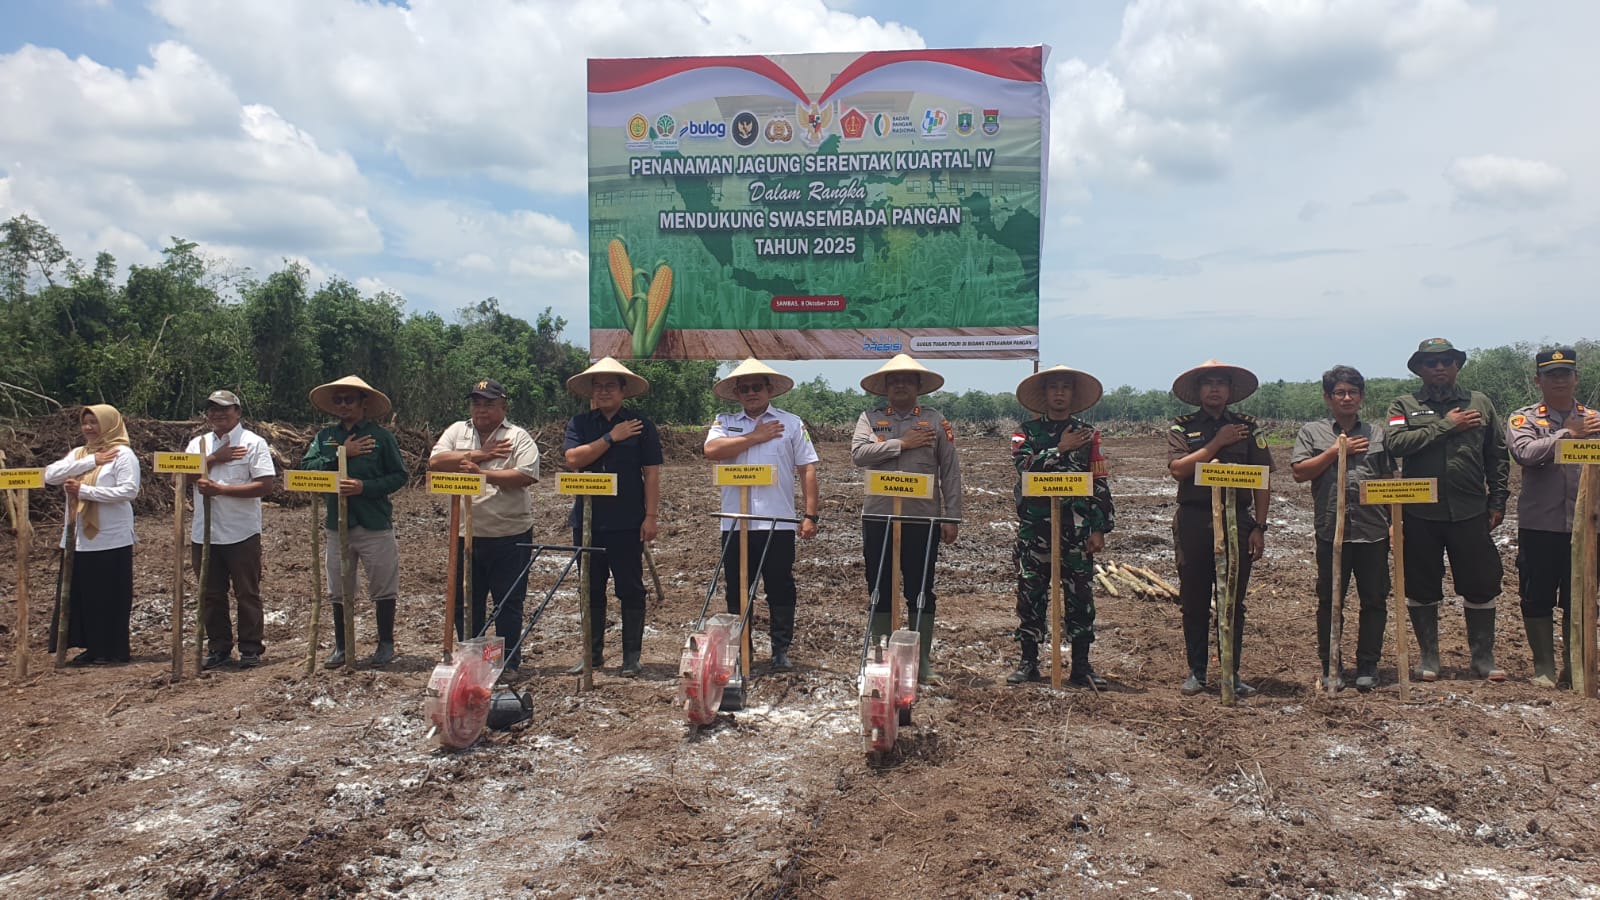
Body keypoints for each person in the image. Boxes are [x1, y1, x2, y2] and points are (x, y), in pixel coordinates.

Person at [1386, 338, 1510, 681]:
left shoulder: (1480, 403)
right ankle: (1429, 657)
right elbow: (1394, 443)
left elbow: (1497, 454)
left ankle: (1483, 657)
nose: (1439, 367)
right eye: (1430, 362)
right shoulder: (1403, 404)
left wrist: (1498, 500)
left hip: (1470, 511)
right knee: (1421, 585)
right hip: (1419, 512)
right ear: (1419, 369)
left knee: (1482, 583)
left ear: (1457, 365)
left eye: (1446, 361)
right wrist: (1447, 426)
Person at [850, 354, 963, 684]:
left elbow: (950, 471)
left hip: (922, 519)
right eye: (894, 379)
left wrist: (951, 515)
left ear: (918, 386)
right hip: (878, 515)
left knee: (920, 588)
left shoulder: (935, 420)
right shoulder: (870, 419)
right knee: (879, 587)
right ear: (885, 387)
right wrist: (903, 443)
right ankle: (881, 657)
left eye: (907, 379)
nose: (900, 384)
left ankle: (920, 661)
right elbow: (858, 454)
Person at [703, 358, 819, 671]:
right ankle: (742, 649)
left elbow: (807, 468)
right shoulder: (724, 422)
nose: (752, 393)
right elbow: (712, 451)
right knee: (737, 588)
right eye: (745, 388)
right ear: (737, 393)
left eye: (757, 387)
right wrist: (755, 437)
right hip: (734, 522)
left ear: (769, 389)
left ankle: (781, 649)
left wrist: (810, 515)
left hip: (777, 521)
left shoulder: (791, 423)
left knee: (780, 586)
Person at [1167, 360, 1273, 697]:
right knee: (1194, 600)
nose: (1214, 389)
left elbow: (1263, 480)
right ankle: (1197, 672)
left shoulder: (1248, 427)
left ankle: (1231, 671)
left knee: (1232, 601)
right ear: (1198, 391)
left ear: (1229, 390)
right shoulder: (1182, 428)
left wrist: (1259, 525)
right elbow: (1179, 469)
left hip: (1237, 521)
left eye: (1221, 383)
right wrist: (1216, 444)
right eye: (1208, 383)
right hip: (1195, 520)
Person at [1007, 365, 1115, 687]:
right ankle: (1029, 662)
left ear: (1072, 394)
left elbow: (1099, 480)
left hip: (1077, 530)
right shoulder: (1024, 432)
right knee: (1031, 595)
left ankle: (1081, 666)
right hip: (1035, 529)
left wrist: (1099, 528)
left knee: (1080, 597)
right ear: (1044, 395)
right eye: (1053, 387)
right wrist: (1060, 449)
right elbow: (1024, 468)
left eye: (1065, 387)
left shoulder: (1088, 434)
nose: (1058, 393)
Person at [1290, 366, 1394, 692]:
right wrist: (1336, 452)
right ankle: (1330, 665)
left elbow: (1391, 481)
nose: (1346, 398)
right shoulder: (1313, 432)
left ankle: (1368, 665)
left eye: (1352, 392)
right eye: (1340, 392)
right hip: (1330, 531)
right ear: (1328, 398)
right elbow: (1299, 472)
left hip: (1373, 530)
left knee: (1374, 600)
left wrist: (1395, 525)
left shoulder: (1378, 434)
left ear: (1361, 397)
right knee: (1330, 600)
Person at [428, 379, 540, 673]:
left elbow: (526, 475)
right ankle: (471, 662)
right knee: (465, 602)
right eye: (476, 403)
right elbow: (437, 461)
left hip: (510, 535)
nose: (481, 409)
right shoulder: (457, 430)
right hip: (466, 535)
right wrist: (479, 455)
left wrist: (482, 475)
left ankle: (508, 663)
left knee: (508, 604)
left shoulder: (518, 437)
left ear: (503, 407)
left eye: (489, 404)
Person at [561, 358, 661, 677]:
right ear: (591, 391)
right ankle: (592, 655)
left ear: (623, 390)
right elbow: (574, 459)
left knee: (630, 587)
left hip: (628, 520)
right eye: (598, 386)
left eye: (610, 386)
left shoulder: (642, 425)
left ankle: (631, 656)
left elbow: (652, 474)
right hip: (588, 523)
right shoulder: (580, 424)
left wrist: (651, 516)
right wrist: (611, 438)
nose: (603, 391)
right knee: (590, 587)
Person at [1506, 348, 1598, 688]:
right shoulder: (1524, 419)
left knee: (1583, 596)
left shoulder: (1595, 419)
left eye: (1565, 373)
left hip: (1586, 525)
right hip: (1540, 526)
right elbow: (1524, 454)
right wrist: (1568, 435)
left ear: (1576, 378)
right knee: (1537, 595)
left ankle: (1577, 665)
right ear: (1537, 380)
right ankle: (1544, 666)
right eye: (1551, 374)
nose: (1559, 379)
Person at [302, 376, 407, 668]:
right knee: (339, 585)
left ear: (364, 402)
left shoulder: (381, 437)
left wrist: (364, 487)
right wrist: (341, 455)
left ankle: (385, 644)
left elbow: (399, 476)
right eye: (339, 400)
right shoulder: (325, 438)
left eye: (350, 399)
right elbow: (307, 468)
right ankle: (342, 646)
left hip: (374, 522)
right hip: (338, 523)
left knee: (383, 583)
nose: (344, 405)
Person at [185, 390, 276, 670]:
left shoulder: (253, 443)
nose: (217, 414)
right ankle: (218, 648)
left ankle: (250, 648)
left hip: (242, 533)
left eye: (224, 409)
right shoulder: (197, 444)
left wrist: (221, 489)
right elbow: (180, 476)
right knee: (210, 594)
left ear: (237, 412)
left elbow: (265, 485)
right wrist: (213, 459)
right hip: (205, 533)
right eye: (212, 409)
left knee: (247, 592)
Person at [44, 404, 140, 665]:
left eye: (94, 422)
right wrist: (90, 461)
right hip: (78, 537)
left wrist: (85, 492)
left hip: (109, 538)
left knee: (107, 595)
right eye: (85, 422)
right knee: (81, 595)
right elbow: (50, 475)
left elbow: (128, 491)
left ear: (108, 424)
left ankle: (111, 650)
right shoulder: (80, 453)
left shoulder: (123, 454)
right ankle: (89, 646)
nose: (88, 427)